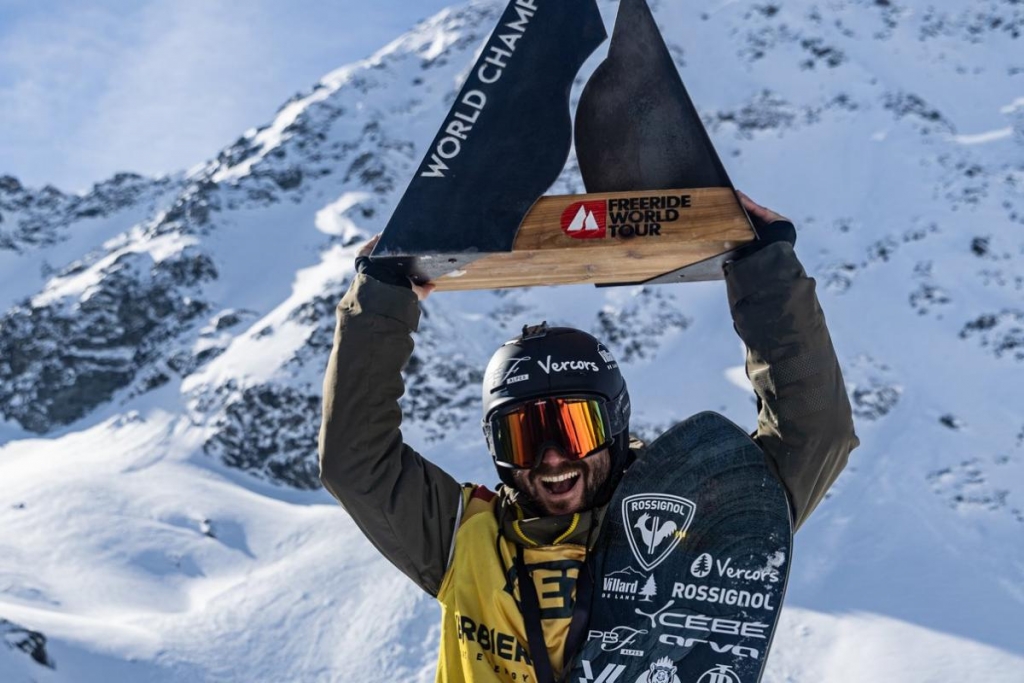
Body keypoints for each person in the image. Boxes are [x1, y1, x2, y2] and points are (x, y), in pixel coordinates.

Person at [318, 192, 859, 683]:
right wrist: (382, 294)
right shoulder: (464, 538)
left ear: (614, 424)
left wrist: (766, 270)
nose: (552, 459)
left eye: (575, 428)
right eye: (524, 436)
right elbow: (354, 462)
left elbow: (815, 436)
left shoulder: (689, 518)